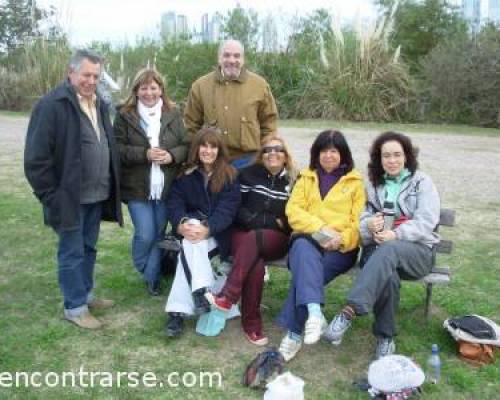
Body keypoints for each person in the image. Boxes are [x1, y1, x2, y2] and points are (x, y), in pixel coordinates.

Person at [24, 49, 123, 330]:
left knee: (88, 248)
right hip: (68, 198)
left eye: (96, 75)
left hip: (96, 193)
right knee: (71, 251)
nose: (91, 80)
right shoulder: (51, 105)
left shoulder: (101, 103)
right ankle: (75, 307)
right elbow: (36, 159)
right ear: (71, 73)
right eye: (86, 74)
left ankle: (85, 294)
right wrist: (51, 197)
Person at [323, 132, 440, 359]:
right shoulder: (373, 185)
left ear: (407, 156)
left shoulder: (421, 182)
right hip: (377, 252)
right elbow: (361, 218)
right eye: (386, 156)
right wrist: (370, 224)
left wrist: (396, 234)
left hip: (416, 254)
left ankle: (349, 311)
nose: (392, 160)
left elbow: (427, 221)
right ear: (379, 159)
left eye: (397, 155)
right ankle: (385, 338)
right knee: (388, 275)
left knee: (390, 249)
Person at [276, 130, 366, 362]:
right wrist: (321, 230)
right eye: (324, 150)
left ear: (343, 154)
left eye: (334, 151)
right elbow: (293, 212)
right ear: (316, 154)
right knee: (303, 252)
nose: (328, 155)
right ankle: (314, 314)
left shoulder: (355, 183)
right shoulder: (306, 178)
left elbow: (359, 223)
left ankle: (295, 332)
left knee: (305, 276)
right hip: (307, 240)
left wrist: (342, 239)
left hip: (340, 248)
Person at [204, 135, 298, 345]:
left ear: (285, 155)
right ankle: (251, 325)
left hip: (276, 239)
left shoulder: (295, 180)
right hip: (242, 233)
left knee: (255, 240)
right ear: (261, 155)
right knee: (254, 264)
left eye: (277, 149)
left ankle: (227, 297)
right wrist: (265, 220)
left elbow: (290, 220)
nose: (272, 153)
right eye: (267, 150)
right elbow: (236, 208)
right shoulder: (247, 174)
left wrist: (269, 223)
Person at [114, 68, 189, 296]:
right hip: (137, 188)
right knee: (145, 234)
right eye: (143, 88)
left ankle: (152, 277)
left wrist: (172, 156)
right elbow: (116, 148)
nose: (149, 92)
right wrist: (144, 154)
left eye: (153, 87)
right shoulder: (125, 114)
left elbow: (186, 144)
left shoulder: (173, 113)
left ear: (161, 90)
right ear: (136, 91)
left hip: (166, 187)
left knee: (158, 234)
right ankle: (145, 268)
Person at [163, 127, 241, 337]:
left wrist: (207, 229)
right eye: (203, 146)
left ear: (219, 150)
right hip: (190, 231)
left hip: (218, 234)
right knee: (190, 244)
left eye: (213, 146)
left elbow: (227, 211)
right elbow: (174, 203)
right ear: (196, 149)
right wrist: (181, 223)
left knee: (189, 247)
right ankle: (201, 293)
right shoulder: (185, 174)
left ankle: (178, 313)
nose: (208, 151)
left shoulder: (230, 175)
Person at [184, 39, 278, 169]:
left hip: (248, 160)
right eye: (226, 55)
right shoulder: (200, 86)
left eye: (237, 56)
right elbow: (191, 125)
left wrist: (264, 155)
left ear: (243, 59)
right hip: (213, 160)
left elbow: (269, 123)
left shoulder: (260, 86)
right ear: (219, 58)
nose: (232, 60)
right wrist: (199, 156)